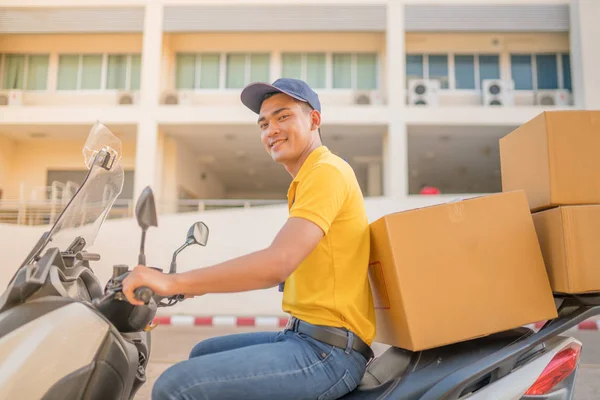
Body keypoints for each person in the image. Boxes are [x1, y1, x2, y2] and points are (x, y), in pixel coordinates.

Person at [122, 78, 376, 400]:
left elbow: (277, 264)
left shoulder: (326, 172)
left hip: (328, 352)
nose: (271, 130)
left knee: (176, 386)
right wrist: (191, 285)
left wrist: (176, 283)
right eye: (263, 123)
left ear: (313, 120)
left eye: (283, 117)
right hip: (305, 336)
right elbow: (281, 261)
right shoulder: (309, 178)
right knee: (203, 352)